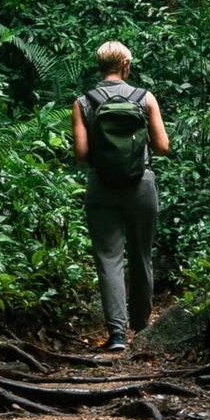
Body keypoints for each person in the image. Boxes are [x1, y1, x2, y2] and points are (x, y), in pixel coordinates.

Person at [71, 40, 171, 354]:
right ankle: (141, 327)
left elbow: (82, 153)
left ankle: (116, 335)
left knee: (109, 259)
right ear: (126, 66)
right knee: (141, 255)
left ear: (100, 66)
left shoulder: (83, 101)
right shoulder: (145, 98)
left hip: (101, 186)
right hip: (141, 183)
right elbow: (163, 146)